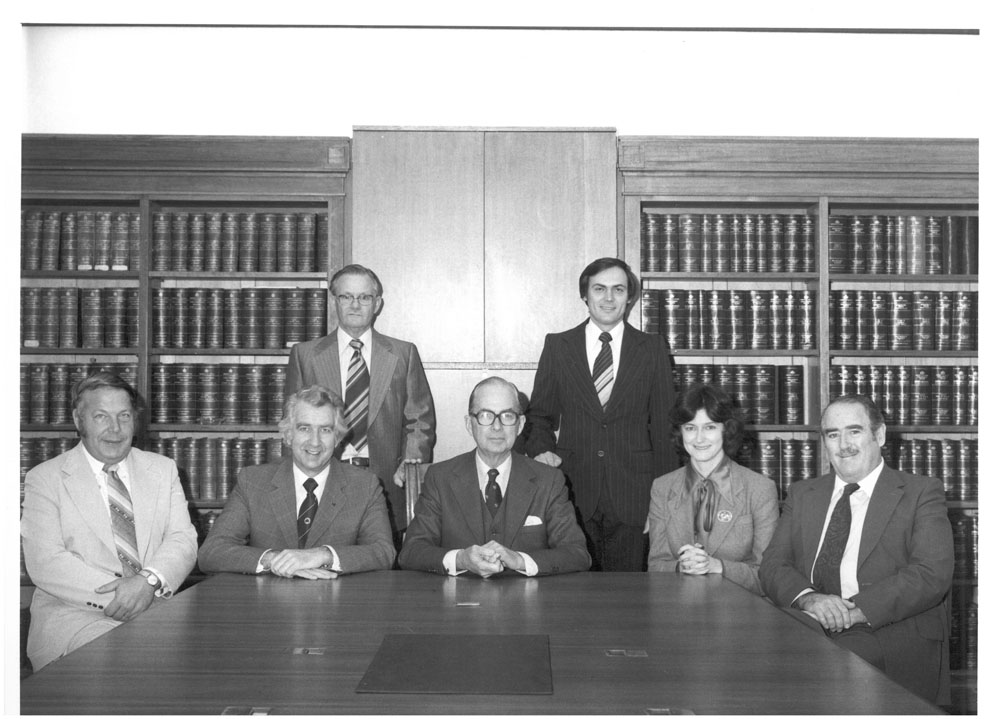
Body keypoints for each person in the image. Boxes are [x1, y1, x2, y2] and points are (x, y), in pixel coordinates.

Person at [759, 394, 954, 704]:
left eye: (854, 431)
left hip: (888, 626)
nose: (843, 444)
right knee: (749, 658)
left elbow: (931, 573)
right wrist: (809, 599)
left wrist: (855, 611)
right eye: (832, 435)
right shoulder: (803, 493)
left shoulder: (920, 492)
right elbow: (773, 564)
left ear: (879, 435)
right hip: (812, 621)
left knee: (823, 672)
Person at [21, 372, 197, 671]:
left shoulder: (162, 469)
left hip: (156, 607)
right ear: (79, 421)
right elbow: (45, 562)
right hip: (74, 617)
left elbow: (182, 538)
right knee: (129, 662)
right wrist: (126, 595)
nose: (115, 429)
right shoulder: (45, 478)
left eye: (124, 416)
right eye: (101, 416)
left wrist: (148, 582)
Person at [520, 257, 678, 571]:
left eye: (618, 289)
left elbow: (665, 428)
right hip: (573, 490)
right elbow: (539, 416)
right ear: (585, 296)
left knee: (630, 599)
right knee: (574, 597)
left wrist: (664, 501)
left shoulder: (652, 348)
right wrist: (541, 451)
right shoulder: (558, 346)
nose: (609, 298)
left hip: (636, 494)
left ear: (630, 297)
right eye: (600, 289)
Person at [285, 263, 435, 542]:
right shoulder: (305, 356)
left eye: (364, 297)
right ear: (335, 302)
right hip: (323, 480)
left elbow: (420, 420)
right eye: (346, 297)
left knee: (383, 572)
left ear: (377, 304)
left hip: (388, 483)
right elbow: (292, 426)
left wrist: (411, 463)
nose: (355, 304)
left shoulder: (403, 354)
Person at [399, 377, 590, 577]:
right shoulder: (440, 478)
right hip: (457, 602)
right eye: (485, 415)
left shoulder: (549, 480)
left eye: (507, 416)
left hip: (529, 603)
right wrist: (461, 558)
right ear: (468, 423)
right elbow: (411, 552)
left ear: (521, 424)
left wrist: (520, 560)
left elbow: (577, 554)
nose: (497, 427)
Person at [198, 385, 395, 577]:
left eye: (325, 430)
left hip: (338, 604)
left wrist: (323, 555)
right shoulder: (253, 482)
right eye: (304, 428)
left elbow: (384, 553)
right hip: (266, 605)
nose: (315, 441)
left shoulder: (365, 486)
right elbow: (211, 553)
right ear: (288, 435)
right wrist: (275, 560)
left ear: (337, 438)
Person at [647, 384, 778, 594]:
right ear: (680, 433)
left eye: (709, 427)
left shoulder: (760, 489)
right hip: (677, 609)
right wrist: (681, 566)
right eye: (690, 428)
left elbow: (768, 576)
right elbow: (655, 566)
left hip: (738, 611)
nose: (699, 438)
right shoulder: (662, 487)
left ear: (726, 429)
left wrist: (717, 567)